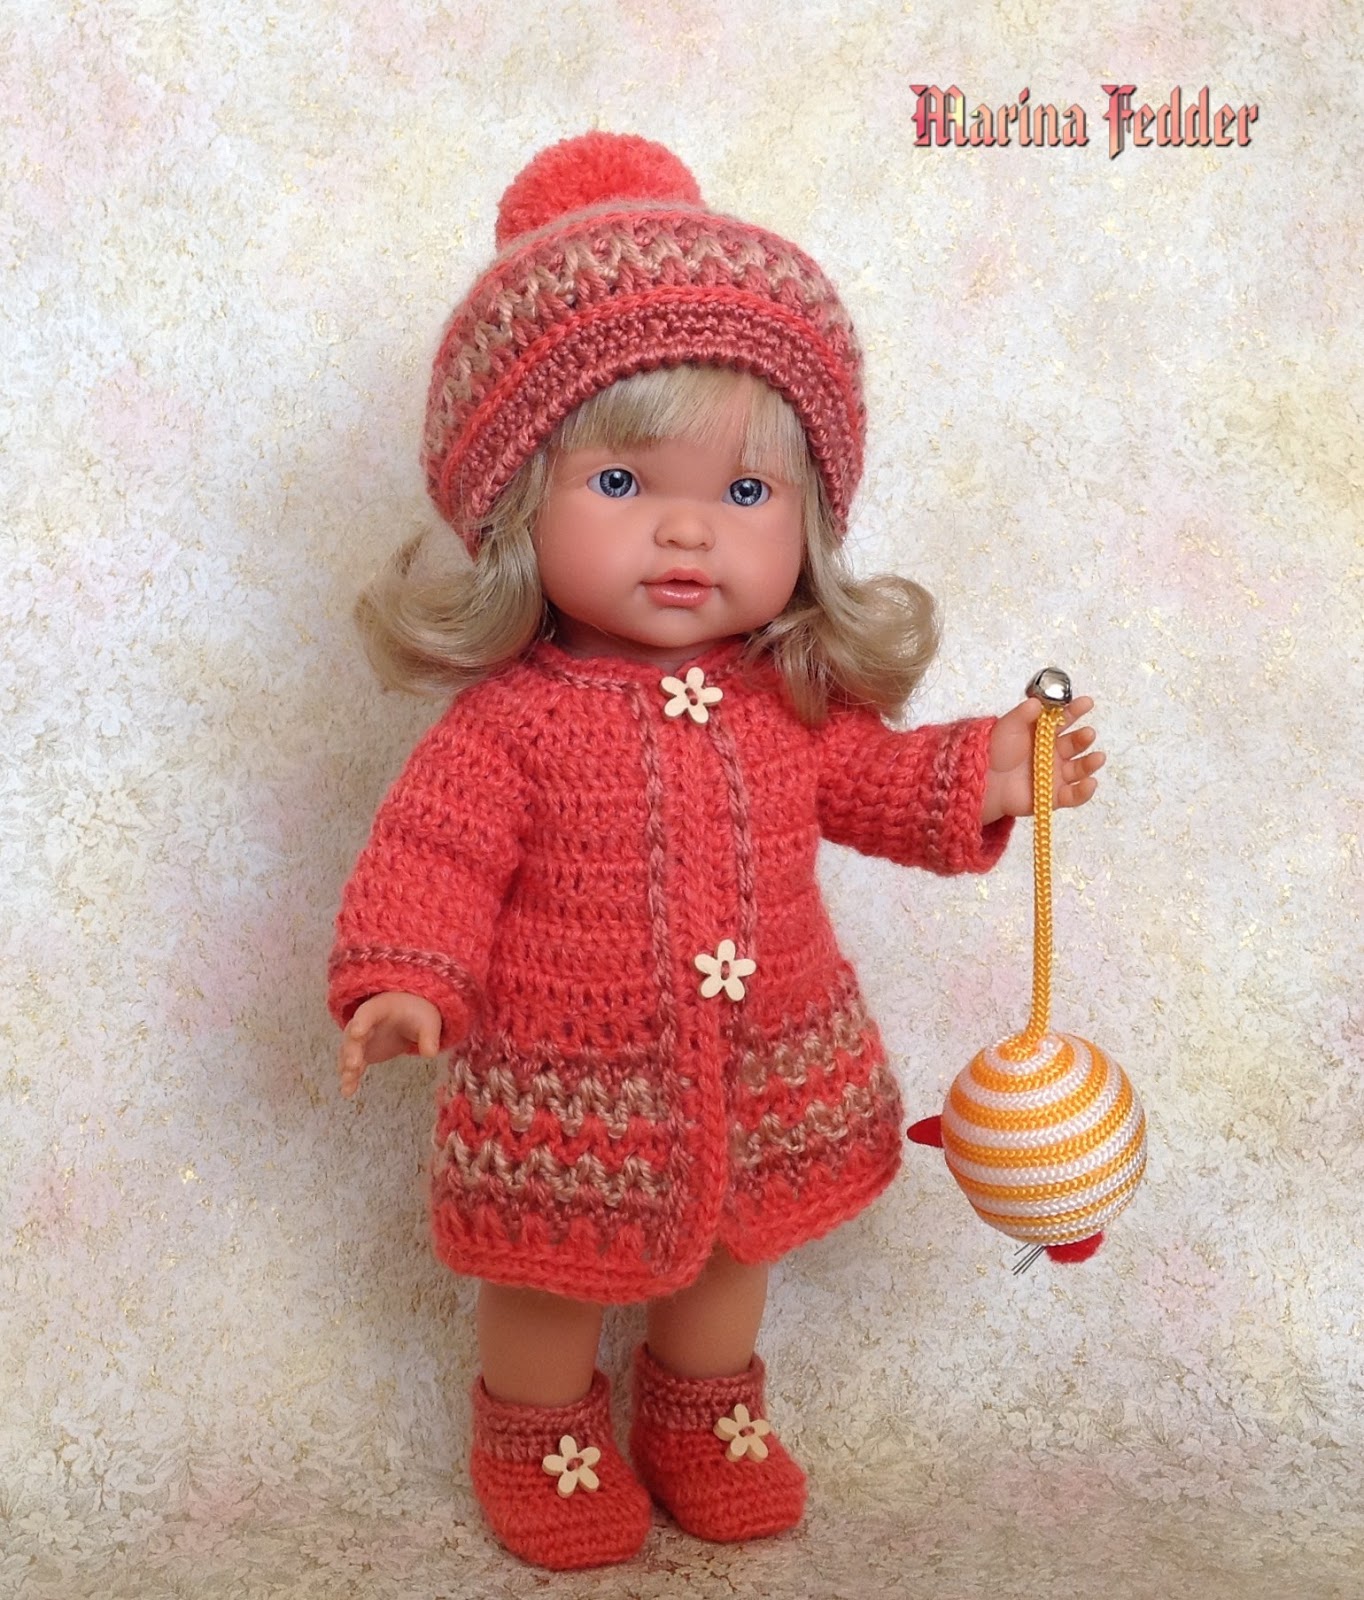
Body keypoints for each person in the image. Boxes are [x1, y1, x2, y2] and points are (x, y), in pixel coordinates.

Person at [327, 132, 1104, 1572]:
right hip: (569, 1076)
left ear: (810, 521)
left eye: (748, 495)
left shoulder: (787, 699)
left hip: (767, 1062)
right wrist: (403, 978)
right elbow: (434, 855)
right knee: (550, 1272)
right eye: (622, 484)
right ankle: (541, 1432)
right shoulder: (511, 724)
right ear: (515, 506)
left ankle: (703, 1417)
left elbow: (876, 783)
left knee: (739, 1248)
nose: (688, 531)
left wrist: (986, 773)